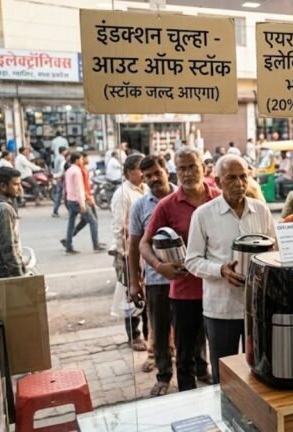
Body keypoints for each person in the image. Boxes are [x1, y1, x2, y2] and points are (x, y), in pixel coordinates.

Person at [185, 155, 275, 384]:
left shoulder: (261, 211)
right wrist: (220, 270)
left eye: (243, 176)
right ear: (217, 180)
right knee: (223, 375)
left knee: (258, 370)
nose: (239, 183)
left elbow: (276, 252)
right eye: (231, 178)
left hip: (257, 308)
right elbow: (192, 260)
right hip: (221, 309)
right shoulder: (204, 215)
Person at [139, 148, 218, 392]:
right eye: (181, 168)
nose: (187, 173)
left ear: (203, 168)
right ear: (176, 171)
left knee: (218, 354)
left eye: (192, 167)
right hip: (184, 292)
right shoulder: (167, 205)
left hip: (217, 289)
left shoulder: (219, 198)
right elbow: (144, 243)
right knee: (184, 358)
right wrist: (159, 266)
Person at [128, 155, 177, 397]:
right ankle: (164, 375)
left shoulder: (183, 197)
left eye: (157, 173)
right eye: (147, 176)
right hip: (157, 281)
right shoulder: (139, 206)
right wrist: (134, 283)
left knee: (193, 329)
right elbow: (134, 246)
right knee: (158, 331)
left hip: (187, 279)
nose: (153, 179)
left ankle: (200, 369)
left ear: (166, 170)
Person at [110, 154, 148, 352]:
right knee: (130, 294)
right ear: (128, 172)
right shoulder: (123, 194)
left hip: (145, 252)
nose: (143, 173)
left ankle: (150, 335)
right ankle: (134, 336)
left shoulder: (146, 189)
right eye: (140, 169)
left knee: (147, 294)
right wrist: (124, 254)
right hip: (128, 252)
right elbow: (119, 226)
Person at [63, 152, 105, 254]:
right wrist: (82, 204)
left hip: (70, 199)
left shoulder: (69, 170)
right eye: (81, 159)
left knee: (71, 223)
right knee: (93, 221)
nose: (82, 161)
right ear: (77, 160)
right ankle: (96, 245)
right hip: (77, 200)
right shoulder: (77, 171)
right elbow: (79, 189)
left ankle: (68, 245)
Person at [0, 167, 24, 279]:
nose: (20, 188)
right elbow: (8, 247)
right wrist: (19, 276)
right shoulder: (3, 209)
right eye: (16, 184)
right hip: (3, 271)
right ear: (3, 186)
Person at [51, 147, 68, 218]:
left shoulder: (57, 158)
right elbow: (62, 169)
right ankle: (55, 210)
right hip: (60, 177)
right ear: (63, 151)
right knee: (62, 194)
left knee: (60, 194)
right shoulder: (62, 159)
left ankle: (55, 210)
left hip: (57, 176)